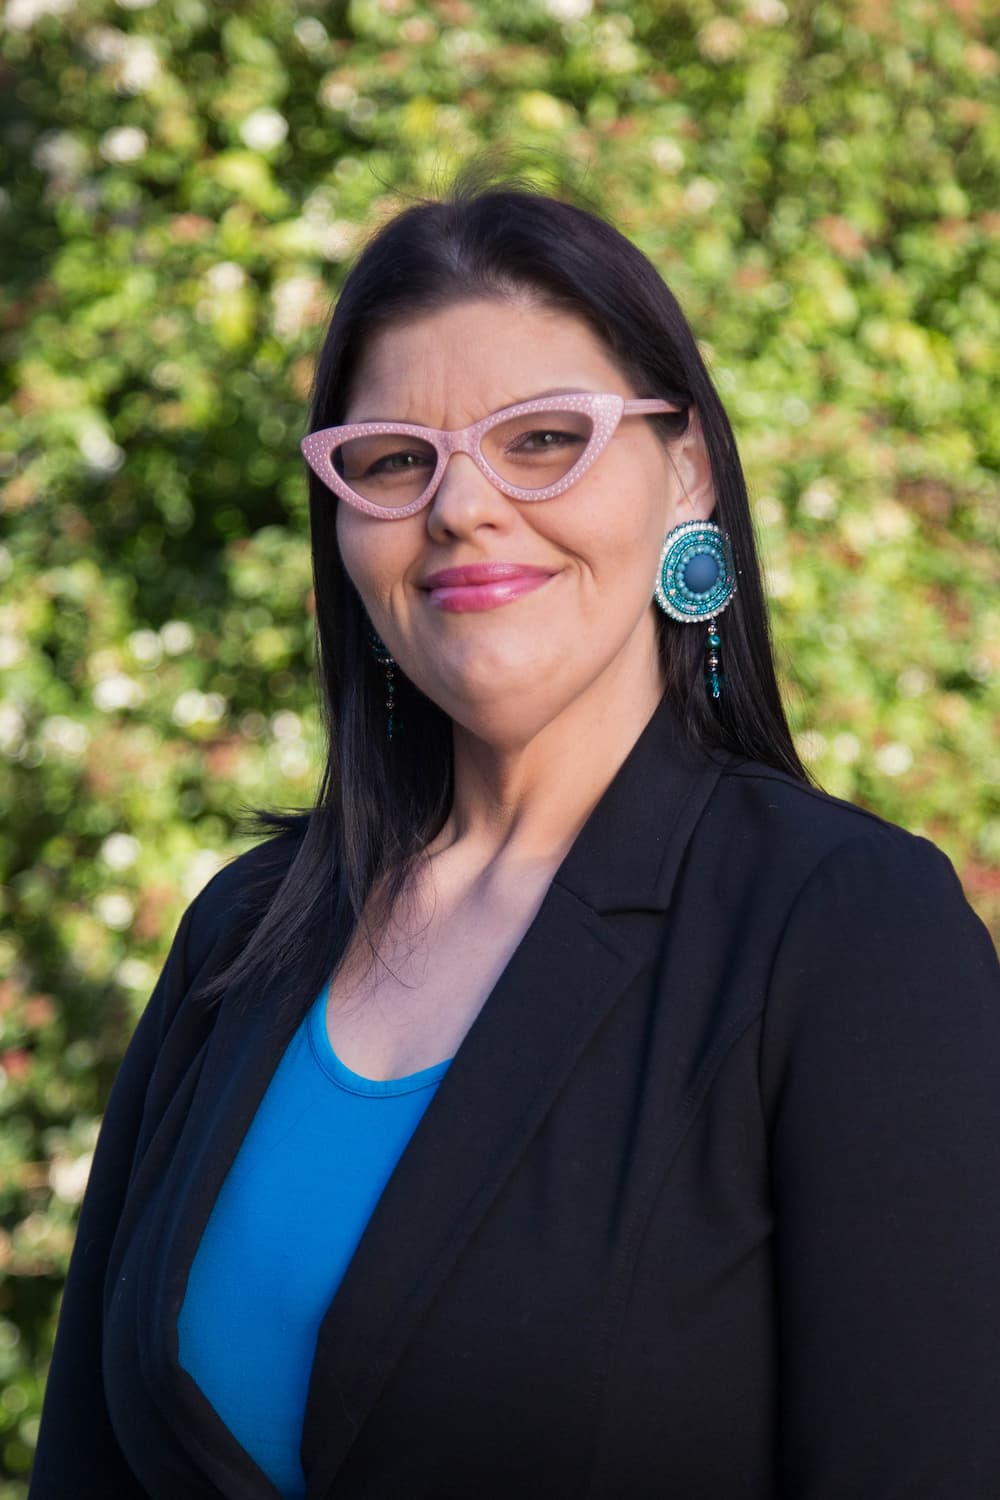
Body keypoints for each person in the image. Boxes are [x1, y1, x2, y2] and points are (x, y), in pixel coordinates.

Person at [29, 167, 1000, 1500]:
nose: (462, 506)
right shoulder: (242, 935)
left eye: (544, 437)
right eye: (391, 461)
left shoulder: (847, 930)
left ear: (685, 473)